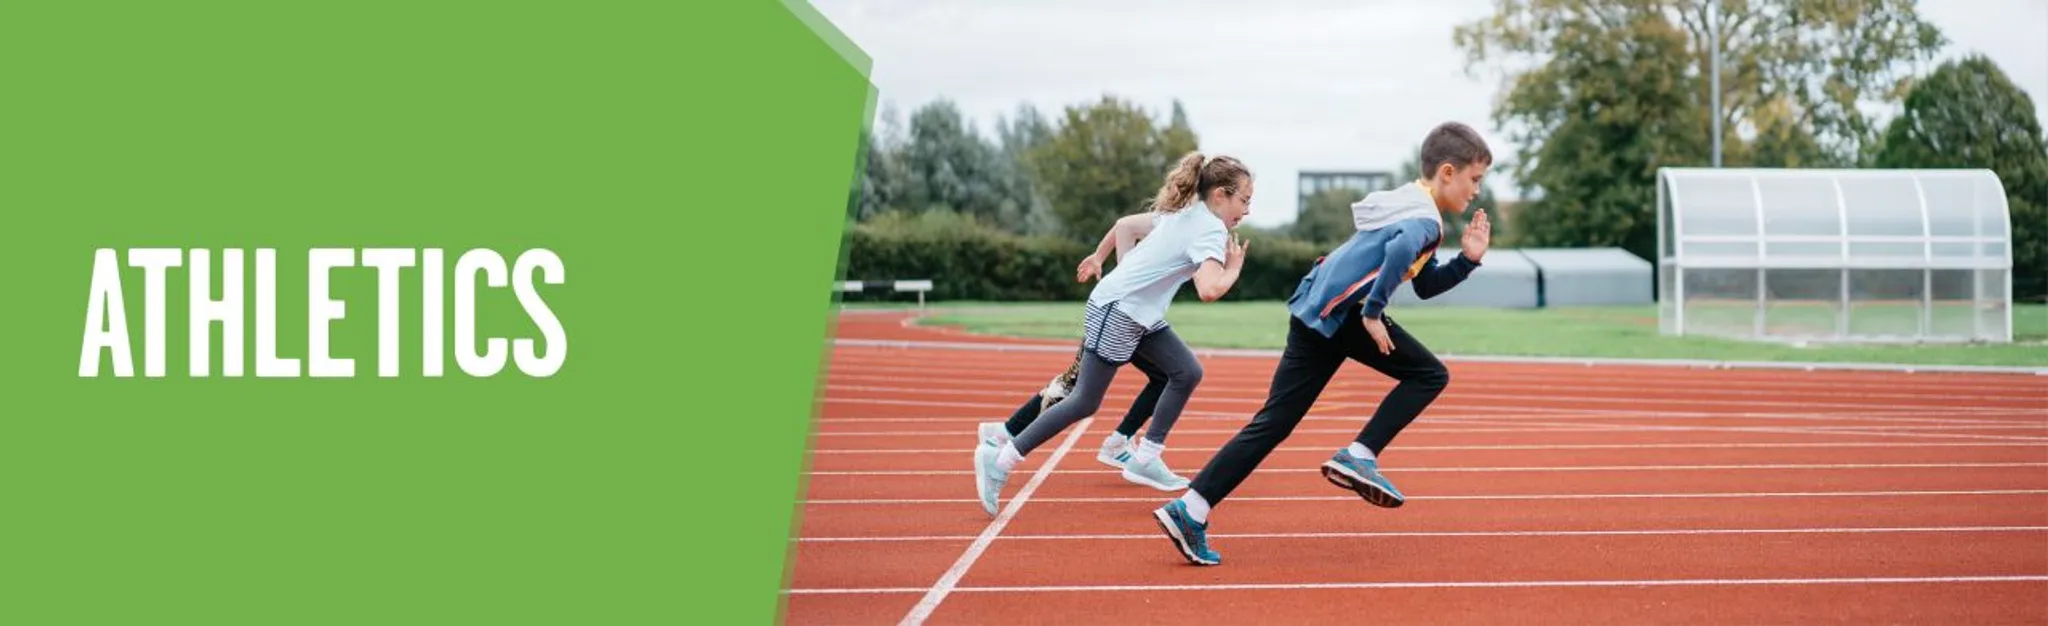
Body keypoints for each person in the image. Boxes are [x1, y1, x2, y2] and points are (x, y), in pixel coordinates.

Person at [1152, 122, 1494, 565]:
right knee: (1429, 374)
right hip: (1343, 313)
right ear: (1448, 172)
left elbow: (1424, 283)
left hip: (1316, 307)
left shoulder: (1409, 203)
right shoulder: (1424, 219)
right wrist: (1372, 313)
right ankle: (1359, 455)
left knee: (1274, 421)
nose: (1477, 191)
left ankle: (1190, 509)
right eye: (1476, 179)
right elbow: (1397, 253)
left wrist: (1467, 260)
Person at [971, 152, 1253, 516]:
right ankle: (1001, 459)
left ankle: (1145, 457)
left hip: (1136, 312)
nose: (1246, 211)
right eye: (1243, 201)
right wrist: (1233, 268)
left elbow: (1125, 228)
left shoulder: (1186, 214)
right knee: (1084, 400)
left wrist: (1119, 267)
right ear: (1219, 195)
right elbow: (1209, 290)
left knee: (1186, 371)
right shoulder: (1210, 228)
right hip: (1118, 310)